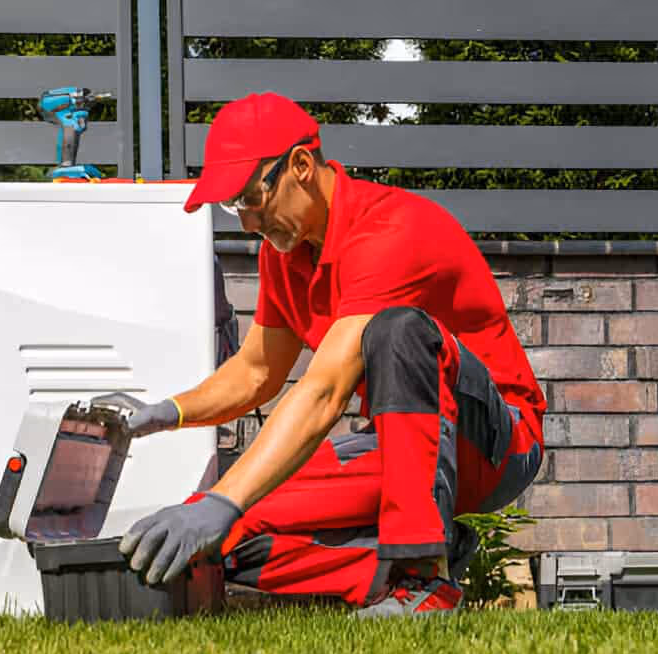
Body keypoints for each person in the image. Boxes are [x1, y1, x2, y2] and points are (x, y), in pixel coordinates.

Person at [96, 92, 545, 616]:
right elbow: (256, 371)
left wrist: (226, 497)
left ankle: (423, 579)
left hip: (495, 443)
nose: (245, 222)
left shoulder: (391, 230)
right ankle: (401, 569)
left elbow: (326, 389)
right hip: (402, 448)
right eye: (232, 206)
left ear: (301, 166)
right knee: (221, 538)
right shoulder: (285, 255)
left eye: (250, 199)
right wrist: (167, 413)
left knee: (396, 331)